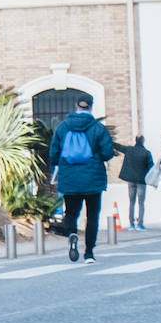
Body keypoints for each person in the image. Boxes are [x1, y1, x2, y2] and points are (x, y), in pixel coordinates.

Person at [47, 96, 116, 263]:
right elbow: (108, 153)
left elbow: (53, 154)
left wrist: (60, 165)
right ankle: (89, 252)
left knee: (71, 212)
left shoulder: (63, 127)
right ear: (91, 107)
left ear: (76, 106)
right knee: (92, 215)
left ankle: (71, 233)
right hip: (93, 179)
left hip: (69, 178)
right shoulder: (98, 128)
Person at [115, 135, 153, 230]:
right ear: (143, 141)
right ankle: (140, 224)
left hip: (131, 180)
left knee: (131, 202)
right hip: (141, 181)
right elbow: (151, 167)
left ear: (135, 141)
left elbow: (118, 147)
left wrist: (108, 139)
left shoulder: (129, 150)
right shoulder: (146, 153)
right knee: (141, 203)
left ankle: (131, 224)